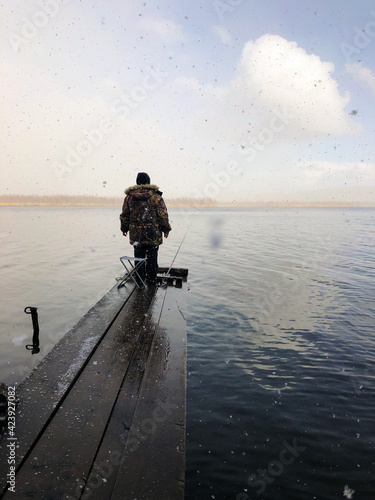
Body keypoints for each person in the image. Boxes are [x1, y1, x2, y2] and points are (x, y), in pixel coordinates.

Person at [119, 172, 171, 285]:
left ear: (137, 182)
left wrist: (124, 229)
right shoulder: (156, 197)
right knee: (152, 259)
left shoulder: (129, 197)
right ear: (148, 181)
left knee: (138, 258)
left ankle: (140, 282)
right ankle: (151, 283)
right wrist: (166, 229)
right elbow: (163, 215)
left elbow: (125, 215)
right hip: (153, 234)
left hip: (136, 235)